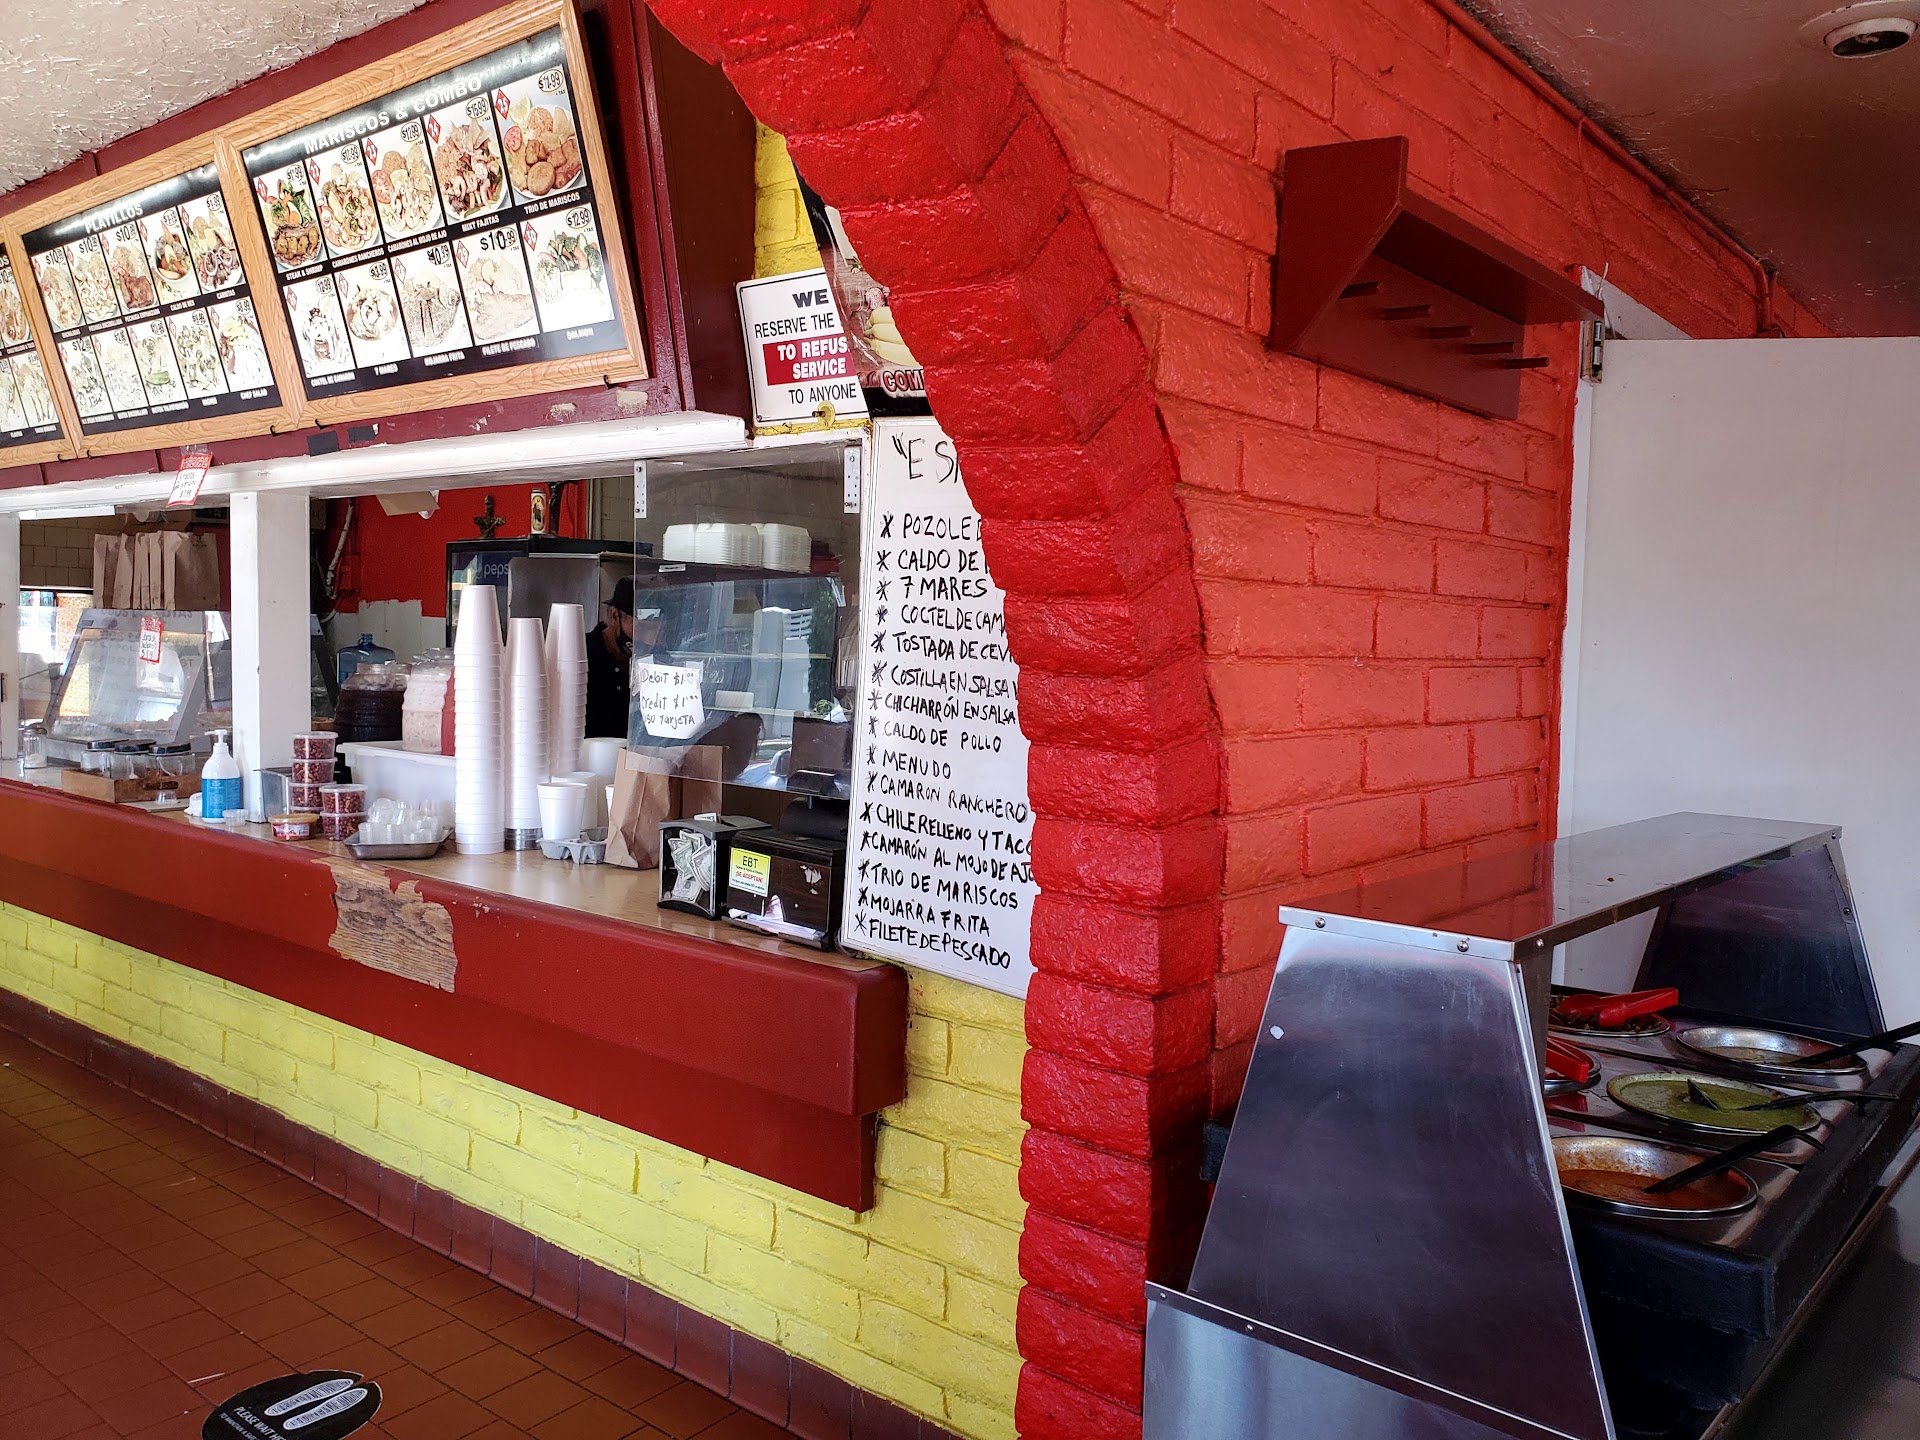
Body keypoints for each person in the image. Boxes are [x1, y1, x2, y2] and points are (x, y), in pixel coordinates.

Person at [585, 579, 635, 738]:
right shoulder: (582, 653)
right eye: (644, 627)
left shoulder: (658, 659)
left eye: (661, 629)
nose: (652, 639)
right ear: (614, 615)